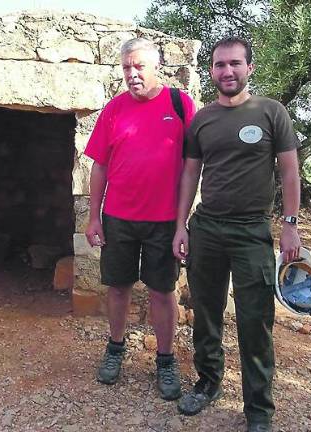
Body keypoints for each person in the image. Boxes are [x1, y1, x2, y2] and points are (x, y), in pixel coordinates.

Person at [172, 37, 302, 432]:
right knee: (206, 315)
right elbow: (191, 173)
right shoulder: (202, 119)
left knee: (255, 321)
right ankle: (208, 382)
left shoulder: (271, 112)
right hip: (207, 228)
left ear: (250, 68)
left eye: (235, 64)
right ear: (212, 71)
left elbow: (290, 171)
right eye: (219, 65)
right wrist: (181, 224)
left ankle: (258, 409)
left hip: (251, 231)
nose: (227, 71)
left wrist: (291, 227)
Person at [84, 38, 196, 400]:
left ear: (156, 66)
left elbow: (193, 166)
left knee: (162, 291)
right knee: (118, 287)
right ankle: (115, 350)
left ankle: (165, 361)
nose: (132, 74)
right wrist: (94, 217)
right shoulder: (114, 109)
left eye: (139, 67)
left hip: (164, 220)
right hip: (118, 217)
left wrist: (182, 224)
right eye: (126, 68)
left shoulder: (180, 105)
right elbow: (99, 165)